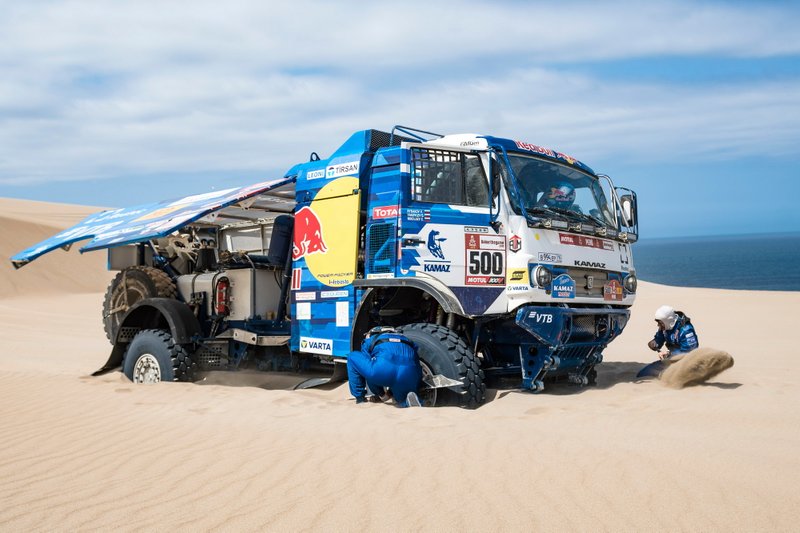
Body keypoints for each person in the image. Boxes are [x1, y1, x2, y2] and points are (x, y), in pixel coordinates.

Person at [347, 326, 423, 407]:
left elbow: (366, 362)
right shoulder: (406, 339)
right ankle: (405, 401)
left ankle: (361, 399)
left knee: (352, 357)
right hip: (409, 374)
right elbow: (416, 352)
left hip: (384, 371)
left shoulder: (372, 338)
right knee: (400, 398)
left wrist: (380, 393)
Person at [637, 305, 700, 378]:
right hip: (671, 360)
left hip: (686, 364)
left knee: (667, 376)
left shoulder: (686, 330)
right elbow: (659, 339)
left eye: (660, 323)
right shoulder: (665, 327)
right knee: (643, 374)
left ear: (668, 321)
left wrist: (668, 353)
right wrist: (654, 343)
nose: (658, 325)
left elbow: (690, 352)